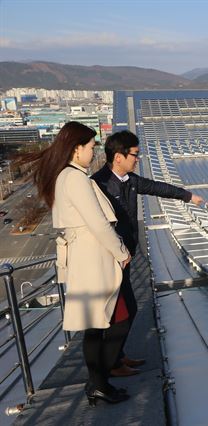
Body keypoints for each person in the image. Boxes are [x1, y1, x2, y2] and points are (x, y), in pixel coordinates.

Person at [19, 121, 131, 405]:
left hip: (85, 255)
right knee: (106, 323)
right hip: (93, 256)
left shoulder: (66, 176)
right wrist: (121, 252)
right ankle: (99, 382)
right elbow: (97, 222)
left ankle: (99, 384)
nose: (93, 153)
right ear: (76, 148)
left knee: (96, 325)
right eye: (91, 147)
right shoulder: (75, 178)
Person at [91, 130, 203, 376]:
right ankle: (111, 365)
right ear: (118, 157)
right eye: (134, 154)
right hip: (110, 260)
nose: (137, 159)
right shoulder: (98, 184)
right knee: (121, 312)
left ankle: (118, 358)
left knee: (126, 309)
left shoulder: (128, 180)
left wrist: (186, 196)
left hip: (126, 257)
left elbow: (155, 187)